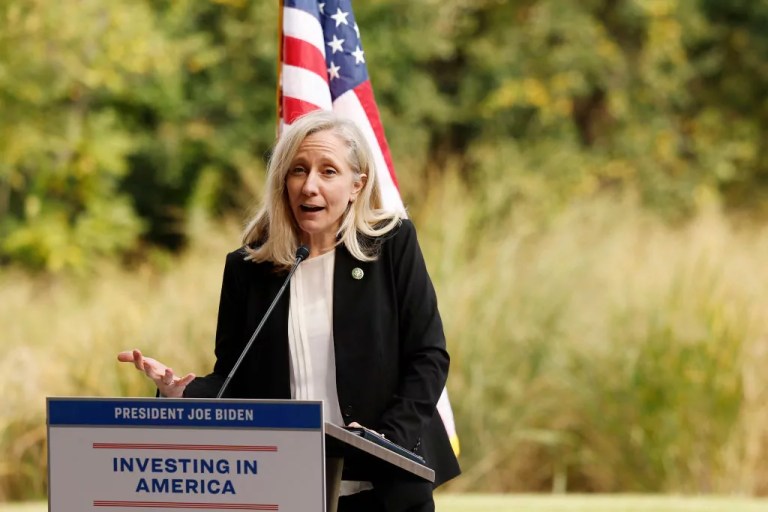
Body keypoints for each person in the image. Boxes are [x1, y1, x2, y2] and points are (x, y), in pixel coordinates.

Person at [118, 110, 460, 511]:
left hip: (384, 486)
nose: (309, 186)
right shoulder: (249, 270)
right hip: (288, 487)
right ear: (283, 180)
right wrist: (180, 392)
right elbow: (234, 379)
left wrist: (385, 442)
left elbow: (428, 355)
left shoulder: (390, 246)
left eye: (328, 171)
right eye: (298, 170)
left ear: (357, 184)